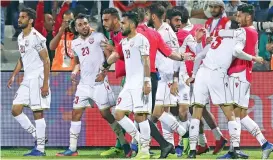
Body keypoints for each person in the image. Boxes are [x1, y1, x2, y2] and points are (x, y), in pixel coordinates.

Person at [55, 14, 132, 157]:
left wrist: (104, 72)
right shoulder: (75, 43)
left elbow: (110, 56)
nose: (84, 26)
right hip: (84, 85)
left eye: (85, 23)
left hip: (99, 83)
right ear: (76, 28)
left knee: (107, 115)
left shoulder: (99, 37)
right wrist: (74, 72)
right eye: (80, 25)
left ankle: (125, 144)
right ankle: (72, 149)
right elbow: (78, 62)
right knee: (76, 113)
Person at [186, 26, 264, 159]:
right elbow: (237, 52)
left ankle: (192, 151)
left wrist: (193, 75)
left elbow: (199, 56)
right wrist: (254, 58)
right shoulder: (237, 39)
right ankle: (236, 148)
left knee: (196, 112)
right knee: (230, 113)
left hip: (201, 73)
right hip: (218, 74)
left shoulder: (216, 38)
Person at [218, 4, 273, 159]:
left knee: (234, 115)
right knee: (241, 115)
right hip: (245, 75)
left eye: (240, 14)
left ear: (248, 16)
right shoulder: (253, 31)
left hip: (238, 74)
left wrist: (253, 58)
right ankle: (265, 144)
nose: (237, 17)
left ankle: (233, 151)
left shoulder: (242, 31)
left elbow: (236, 51)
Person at [101, 11, 152, 159]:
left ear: (131, 24)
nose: (121, 26)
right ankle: (141, 141)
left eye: (123, 23)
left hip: (140, 83)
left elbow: (146, 61)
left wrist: (147, 81)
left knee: (140, 116)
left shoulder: (141, 39)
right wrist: (104, 66)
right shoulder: (124, 42)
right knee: (118, 113)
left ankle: (145, 151)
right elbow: (116, 55)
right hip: (128, 83)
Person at [7, 7, 50, 156]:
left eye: (23, 17)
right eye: (19, 17)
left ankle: (40, 149)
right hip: (27, 78)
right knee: (15, 110)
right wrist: (13, 75)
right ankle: (38, 137)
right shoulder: (20, 37)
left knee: (37, 112)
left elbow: (46, 59)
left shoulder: (36, 37)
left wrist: (45, 84)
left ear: (31, 20)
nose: (19, 19)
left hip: (38, 78)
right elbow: (22, 59)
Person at [147, 3, 187, 152]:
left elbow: (176, 56)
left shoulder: (166, 32)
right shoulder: (157, 30)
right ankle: (170, 148)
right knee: (165, 112)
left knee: (157, 113)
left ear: (153, 16)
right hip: (162, 76)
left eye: (147, 14)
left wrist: (175, 81)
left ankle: (185, 134)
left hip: (169, 77)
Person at [35, 0, 71, 69]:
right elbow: (39, 18)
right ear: (43, 23)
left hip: (55, 66)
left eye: (52, 19)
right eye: (49, 20)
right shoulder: (39, 32)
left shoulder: (55, 32)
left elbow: (60, 18)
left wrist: (66, 4)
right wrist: (40, 3)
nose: (53, 22)